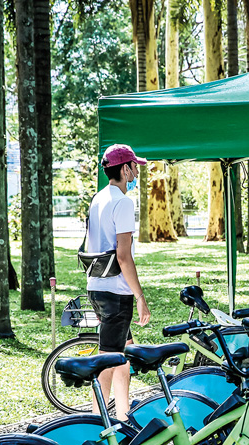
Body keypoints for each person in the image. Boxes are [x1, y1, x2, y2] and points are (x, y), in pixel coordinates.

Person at [86, 144, 152, 419]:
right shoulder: (123, 202)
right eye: (135, 167)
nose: (137, 171)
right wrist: (140, 297)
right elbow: (123, 256)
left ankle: (123, 414)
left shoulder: (98, 198)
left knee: (122, 357)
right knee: (108, 361)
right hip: (116, 292)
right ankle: (97, 420)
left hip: (97, 286)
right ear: (125, 170)